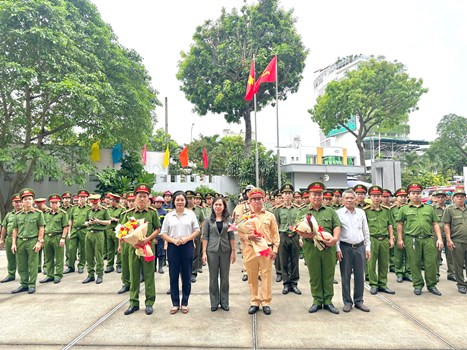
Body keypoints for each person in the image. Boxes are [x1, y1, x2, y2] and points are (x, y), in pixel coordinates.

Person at [298, 182, 341, 314]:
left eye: (319, 194)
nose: (317, 197)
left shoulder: (331, 211)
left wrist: (334, 239)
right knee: (315, 275)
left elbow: (337, 227)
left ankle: (328, 301)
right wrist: (306, 234)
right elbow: (298, 229)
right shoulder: (303, 211)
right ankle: (317, 300)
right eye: (314, 194)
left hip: (328, 248)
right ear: (309, 196)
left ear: (322, 196)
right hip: (311, 248)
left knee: (328, 275)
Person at [237, 187, 279, 315]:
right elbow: (239, 233)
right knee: (252, 276)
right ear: (249, 201)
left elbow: (275, 234)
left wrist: (275, 250)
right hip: (250, 249)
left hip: (266, 249)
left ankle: (266, 302)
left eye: (259, 199)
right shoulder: (245, 217)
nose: (257, 202)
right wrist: (248, 236)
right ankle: (255, 300)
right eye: (254, 199)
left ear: (263, 200)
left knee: (266, 275)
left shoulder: (270, 216)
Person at [121, 183, 161, 316]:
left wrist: (147, 239)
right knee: (134, 275)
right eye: (140, 196)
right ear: (135, 198)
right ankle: (133, 302)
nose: (142, 199)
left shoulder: (152, 212)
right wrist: (131, 241)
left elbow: (157, 229)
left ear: (148, 199)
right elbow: (122, 232)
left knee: (149, 275)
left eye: (145, 196)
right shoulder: (128, 214)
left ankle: (149, 303)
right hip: (133, 248)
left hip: (148, 248)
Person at [397, 183, 444, 296]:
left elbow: (435, 224)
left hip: (428, 239)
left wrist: (439, 239)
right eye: (413, 193)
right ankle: (417, 285)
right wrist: (400, 239)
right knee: (414, 263)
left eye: (418, 193)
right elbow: (400, 224)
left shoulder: (429, 208)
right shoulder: (404, 209)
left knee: (431, 263)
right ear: (409, 195)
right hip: (412, 239)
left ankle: (431, 285)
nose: (416, 195)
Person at [160, 191, 200, 315]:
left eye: (182, 200)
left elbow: (197, 230)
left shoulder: (190, 214)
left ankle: (185, 303)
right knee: (173, 275)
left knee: (186, 275)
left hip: (187, 245)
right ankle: (175, 303)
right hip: (173, 246)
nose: (180, 202)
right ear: (174, 201)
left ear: (185, 201)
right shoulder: (169, 216)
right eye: (177, 200)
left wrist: (187, 239)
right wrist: (173, 240)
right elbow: (163, 233)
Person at [336, 189, 371, 312]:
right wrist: (337, 248)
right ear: (342, 200)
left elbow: (365, 230)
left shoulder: (361, 213)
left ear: (356, 200)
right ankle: (347, 301)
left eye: (352, 198)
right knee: (345, 276)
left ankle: (359, 301)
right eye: (347, 198)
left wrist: (367, 247)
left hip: (360, 247)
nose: (349, 200)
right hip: (345, 248)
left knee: (359, 275)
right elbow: (337, 232)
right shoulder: (338, 213)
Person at [202, 196, 236, 311]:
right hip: (212, 251)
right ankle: (214, 302)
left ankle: (225, 302)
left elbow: (232, 236)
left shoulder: (229, 219)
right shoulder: (208, 220)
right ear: (213, 206)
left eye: (220, 205)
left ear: (224, 206)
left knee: (225, 278)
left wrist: (233, 251)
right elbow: (205, 237)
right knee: (213, 278)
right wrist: (204, 253)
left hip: (226, 251)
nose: (218, 207)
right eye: (216, 204)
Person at [11, 188, 45, 294]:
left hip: (32, 241)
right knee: (21, 264)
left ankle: (31, 284)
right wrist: (13, 243)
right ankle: (24, 284)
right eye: (25, 199)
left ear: (33, 201)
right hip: (20, 242)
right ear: (22, 201)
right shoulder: (17, 215)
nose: (28, 201)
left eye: (30, 199)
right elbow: (15, 229)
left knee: (32, 264)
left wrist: (39, 241)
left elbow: (41, 228)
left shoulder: (38, 214)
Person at [364, 185, 396, 295]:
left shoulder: (386, 210)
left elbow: (390, 225)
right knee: (371, 263)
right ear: (370, 197)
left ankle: (382, 284)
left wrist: (391, 238)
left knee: (384, 263)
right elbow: (364, 227)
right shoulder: (366, 211)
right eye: (374, 196)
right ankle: (373, 284)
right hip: (372, 239)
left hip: (384, 239)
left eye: (378, 196)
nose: (376, 198)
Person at [274, 182, 302, 295]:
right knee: (283, 261)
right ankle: (286, 284)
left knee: (295, 261)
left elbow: (300, 224)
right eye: (285, 193)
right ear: (282, 195)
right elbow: (276, 225)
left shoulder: (298, 209)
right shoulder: (278, 209)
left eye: (289, 193)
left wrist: (300, 238)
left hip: (295, 236)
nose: (287, 195)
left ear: (292, 195)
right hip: (283, 236)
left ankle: (294, 283)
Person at [442, 187, 467, 294]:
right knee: (459, 264)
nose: (460, 199)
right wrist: (448, 239)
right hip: (457, 241)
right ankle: (461, 284)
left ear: (465, 198)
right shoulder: (449, 210)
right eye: (457, 197)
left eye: (462, 197)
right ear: (453, 199)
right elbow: (446, 225)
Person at [40, 194, 68, 284]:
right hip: (47, 237)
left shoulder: (63, 214)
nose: (54, 205)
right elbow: (43, 226)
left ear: (59, 204)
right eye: (52, 203)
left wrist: (63, 238)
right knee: (48, 257)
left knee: (59, 257)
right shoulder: (46, 214)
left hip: (57, 237)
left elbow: (65, 227)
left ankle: (58, 275)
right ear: (49, 203)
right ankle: (50, 275)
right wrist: (42, 238)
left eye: (56, 203)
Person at [82, 194, 110, 285]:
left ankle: (99, 274)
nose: (93, 205)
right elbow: (85, 222)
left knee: (98, 255)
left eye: (95, 203)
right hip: (89, 233)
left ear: (98, 202)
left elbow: (108, 222)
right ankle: (90, 274)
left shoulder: (104, 210)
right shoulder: (89, 211)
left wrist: (98, 221)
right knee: (88, 255)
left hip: (99, 233)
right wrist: (88, 223)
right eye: (92, 204)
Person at [66, 189, 90, 274]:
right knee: (71, 249)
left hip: (84, 230)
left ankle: (81, 265)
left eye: (84, 197)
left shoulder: (89, 209)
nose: (82, 199)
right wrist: (69, 232)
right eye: (80, 197)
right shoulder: (74, 208)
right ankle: (71, 266)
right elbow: (70, 220)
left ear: (87, 198)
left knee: (83, 249)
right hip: (74, 230)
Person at [433, 190, 455, 281]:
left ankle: (451, 273)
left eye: (442, 197)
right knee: (436, 256)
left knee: (450, 255)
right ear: (435, 198)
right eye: (438, 197)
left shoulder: (449, 208)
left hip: (448, 235)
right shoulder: (432, 208)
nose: (440, 199)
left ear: (446, 198)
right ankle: (436, 274)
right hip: (437, 236)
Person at [0, 194, 22, 283]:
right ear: (13, 203)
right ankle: (11, 274)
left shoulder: (27, 214)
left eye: (20, 201)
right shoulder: (9, 215)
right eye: (16, 202)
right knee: (10, 258)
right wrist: (1, 239)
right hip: (9, 239)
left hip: (21, 239)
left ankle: (24, 277)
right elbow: (4, 227)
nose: (18, 204)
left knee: (22, 259)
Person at [391, 188, 412, 283]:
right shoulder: (392, 210)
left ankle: (408, 272)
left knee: (409, 254)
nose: (403, 198)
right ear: (396, 197)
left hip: (409, 234)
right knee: (398, 254)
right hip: (397, 233)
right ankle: (399, 272)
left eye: (405, 196)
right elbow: (390, 223)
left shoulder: (410, 208)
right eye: (401, 196)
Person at [105, 194, 124, 274]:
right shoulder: (108, 209)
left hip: (117, 231)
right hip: (109, 230)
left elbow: (123, 220)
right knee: (110, 249)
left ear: (116, 201)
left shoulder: (122, 209)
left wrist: (115, 220)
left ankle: (119, 265)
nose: (110, 201)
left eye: (112, 200)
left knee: (119, 249)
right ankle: (110, 265)